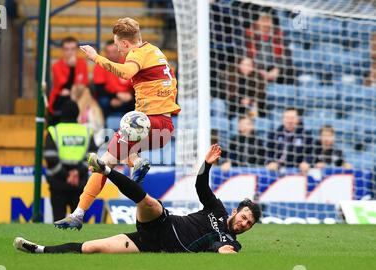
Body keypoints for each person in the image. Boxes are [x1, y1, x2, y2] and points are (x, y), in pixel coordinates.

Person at [14, 144, 261, 254]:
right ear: (237, 210)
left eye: (248, 224)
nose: (244, 223)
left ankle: (40, 250)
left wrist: (223, 251)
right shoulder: (217, 209)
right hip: (164, 223)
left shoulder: (233, 243)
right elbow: (201, 186)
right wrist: (206, 165)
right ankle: (107, 170)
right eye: (245, 217)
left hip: (151, 244)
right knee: (150, 203)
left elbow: (215, 247)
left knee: (91, 248)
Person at [54, 17, 180, 231]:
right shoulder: (155, 51)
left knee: (120, 134)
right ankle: (78, 213)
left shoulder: (136, 54)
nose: (115, 47)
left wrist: (96, 58)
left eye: (115, 43)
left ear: (124, 43)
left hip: (147, 123)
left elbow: (125, 73)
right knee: (103, 164)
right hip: (163, 126)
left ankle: (136, 162)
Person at [44, 100, 97, 222]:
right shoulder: (87, 131)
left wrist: (66, 175)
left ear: (62, 113)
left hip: (58, 183)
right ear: (77, 114)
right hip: (80, 182)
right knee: (79, 224)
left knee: (57, 222)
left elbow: (50, 157)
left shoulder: (54, 131)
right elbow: (92, 157)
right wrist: (77, 173)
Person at [244, 11, 295, 84]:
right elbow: (241, 51)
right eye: (263, 20)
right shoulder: (248, 35)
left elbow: (287, 57)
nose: (266, 24)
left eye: (268, 20)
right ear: (257, 22)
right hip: (254, 70)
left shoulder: (279, 36)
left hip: (272, 70)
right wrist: (245, 61)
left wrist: (278, 69)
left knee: (290, 72)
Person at [48, 36, 89, 126]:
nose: (70, 52)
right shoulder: (56, 66)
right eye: (67, 49)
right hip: (60, 99)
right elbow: (66, 87)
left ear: (77, 50)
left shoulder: (82, 63)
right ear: (62, 50)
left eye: (72, 49)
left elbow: (84, 86)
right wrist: (72, 68)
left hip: (78, 97)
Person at [93, 40, 135, 119]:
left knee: (139, 100)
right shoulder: (100, 65)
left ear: (119, 51)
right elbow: (99, 89)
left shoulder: (128, 63)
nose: (111, 55)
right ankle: (105, 127)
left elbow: (136, 85)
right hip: (109, 97)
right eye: (108, 52)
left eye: (114, 52)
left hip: (127, 97)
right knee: (104, 101)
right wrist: (115, 96)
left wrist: (130, 95)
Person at [266, 107, 313, 174]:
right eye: (287, 118)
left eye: (292, 118)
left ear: (298, 119)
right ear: (282, 119)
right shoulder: (274, 134)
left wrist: (306, 162)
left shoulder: (306, 135)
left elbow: (310, 152)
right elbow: (269, 152)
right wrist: (270, 162)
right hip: (277, 170)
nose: (290, 121)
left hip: (298, 170)